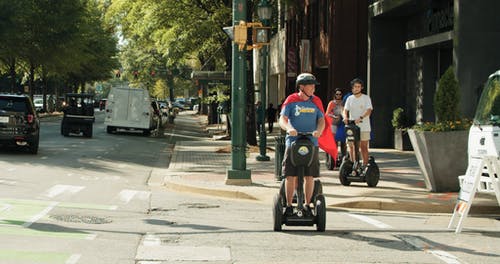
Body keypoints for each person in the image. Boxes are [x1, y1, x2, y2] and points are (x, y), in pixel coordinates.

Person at [279, 73, 325, 216]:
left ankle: (307, 205)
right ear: (301, 87)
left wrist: (319, 130)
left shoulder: (316, 101)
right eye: (311, 85)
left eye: (313, 85)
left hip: (311, 142)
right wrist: (289, 128)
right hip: (293, 142)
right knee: (290, 175)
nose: (313, 88)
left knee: (309, 176)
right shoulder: (291, 100)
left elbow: (321, 120)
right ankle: (288, 206)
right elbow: (282, 119)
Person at [343, 78, 373, 168]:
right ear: (352, 88)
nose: (357, 88)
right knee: (352, 146)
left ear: (361, 88)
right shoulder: (349, 98)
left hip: (364, 126)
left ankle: (365, 165)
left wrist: (361, 118)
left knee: (363, 147)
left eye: (358, 87)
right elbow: (345, 110)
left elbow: (369, 110)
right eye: (355, 86)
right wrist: (345, 117)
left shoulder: (366, 98)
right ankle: (353, 165)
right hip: (352, 126)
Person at [325, 88, 346, 160]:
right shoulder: (332, 103)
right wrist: (334, 116)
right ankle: (334, 158)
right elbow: (327, 114)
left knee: (343, 142)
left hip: (342, 124)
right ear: (335, 95)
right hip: (334, 123)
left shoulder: (344, 103)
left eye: (340, 94)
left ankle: (344, 157)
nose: (338, 96)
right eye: (337, 94)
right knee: (335, 141)